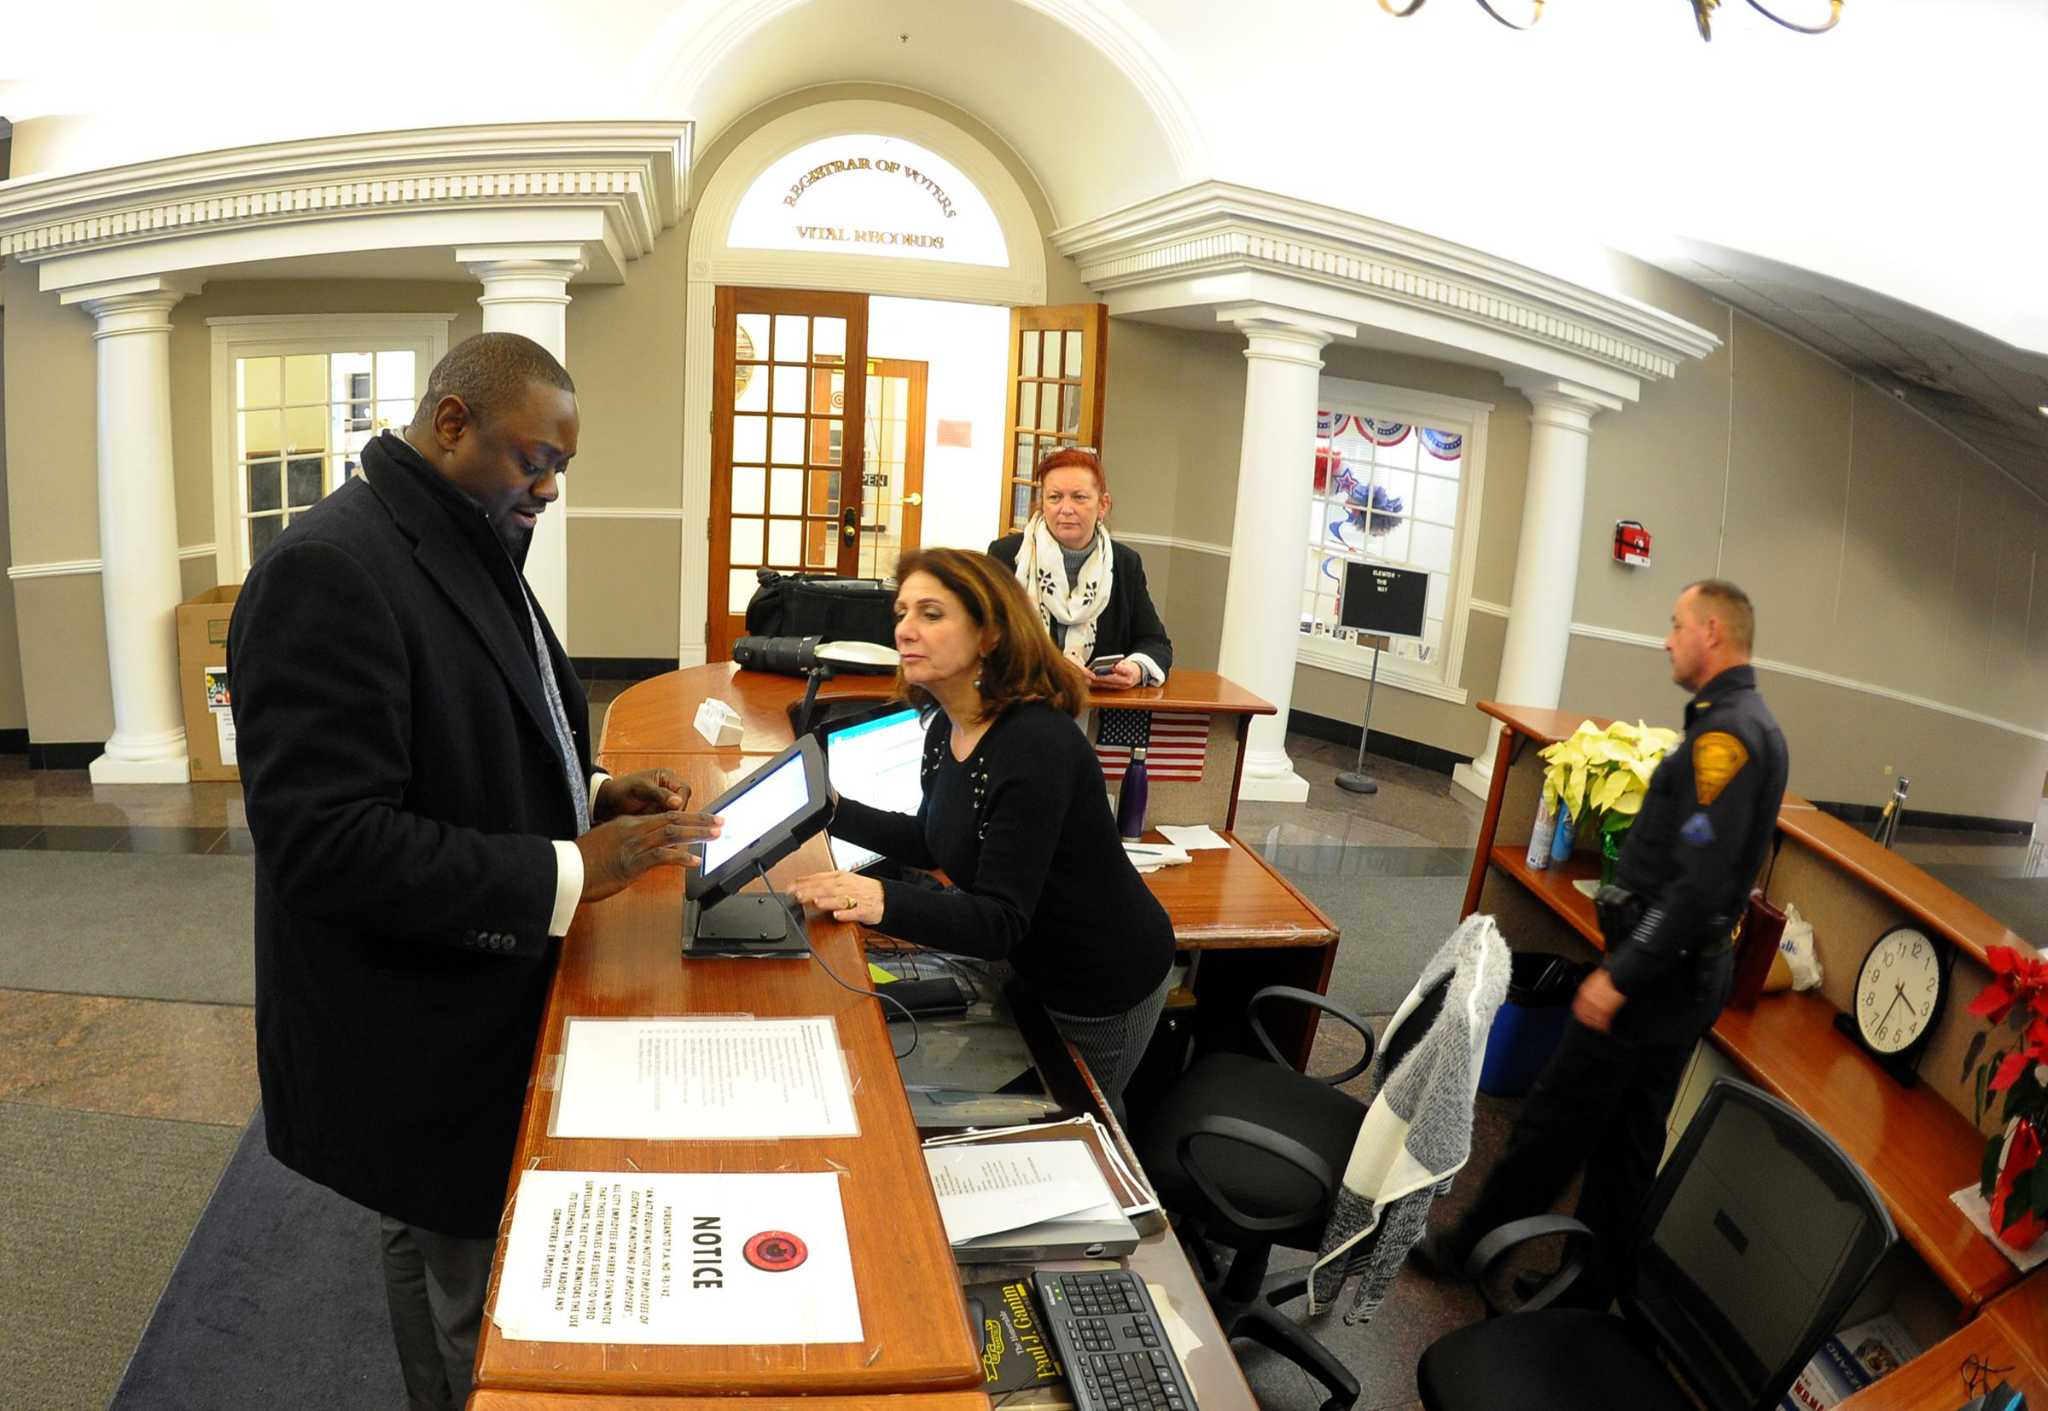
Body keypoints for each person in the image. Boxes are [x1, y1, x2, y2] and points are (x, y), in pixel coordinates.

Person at [228, 332, 719, 1411]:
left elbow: (472, 726)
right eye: (533, 460)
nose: (546, 488)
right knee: (465, 1291)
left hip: (469, 989)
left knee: (445, 1237)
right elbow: (329, 844)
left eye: (560, 471)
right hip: (416, 1010)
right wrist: (569, 869)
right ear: (451, 424)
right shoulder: (330, 566)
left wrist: (591, 790)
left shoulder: (458, 529)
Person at [1416, 578, 1788, 1307]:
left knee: (1557, 1119)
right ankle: (1591, 1293)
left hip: (1658, 979)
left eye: (1677, 624)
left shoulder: (1727, 736)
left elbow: (1700, 882)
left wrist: (1624, 972)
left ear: (1713, 630)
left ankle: (1468, 1248)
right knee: (1626, 1142)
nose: (1666, 638)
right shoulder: (1748, 720)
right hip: (1684, 973)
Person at [787, 547, 1175, 1117]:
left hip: (1101, 983)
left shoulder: (1035, 743)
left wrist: (876, 897)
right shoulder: (947, 725)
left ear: (990, 634)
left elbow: (998, 920)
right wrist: (829, 808)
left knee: (1082, 1128)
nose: (906, 631)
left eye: (931, 614)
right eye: (901, 614)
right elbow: (934, 839)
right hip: (1033, 966)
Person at [989, 446, 1172, 689]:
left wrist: (1136, 669)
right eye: (1054, 497)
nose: (1066, 509)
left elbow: (1154, 643)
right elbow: (984, 640)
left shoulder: (1125, 563)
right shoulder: (1006, 556)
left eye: (1079, 497)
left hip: (1099, 712)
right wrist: (1048, 666)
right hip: (1022, 703)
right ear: (1042, 503)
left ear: (1103, 505)